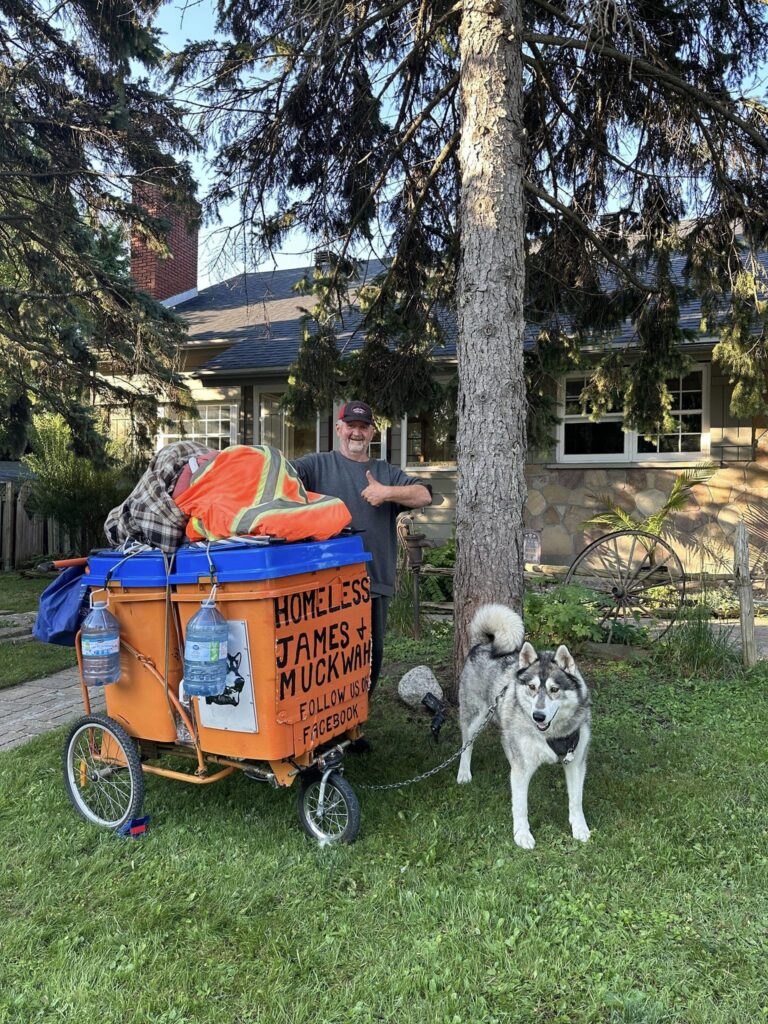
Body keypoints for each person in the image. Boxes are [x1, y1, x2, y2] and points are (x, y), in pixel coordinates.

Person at [293, 401, 432, 696]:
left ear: (371, 433)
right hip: (326, 581)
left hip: (374, 581)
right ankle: (330, 723)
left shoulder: (384, 471)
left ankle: (358, 720)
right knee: (327, 655)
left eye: (363, 427)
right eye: (351, 426)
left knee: (370, 655)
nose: (357, 433)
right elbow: (283, 474)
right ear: (338, 429)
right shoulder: (316, 465)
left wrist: (387, 492)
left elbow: (424, 495)